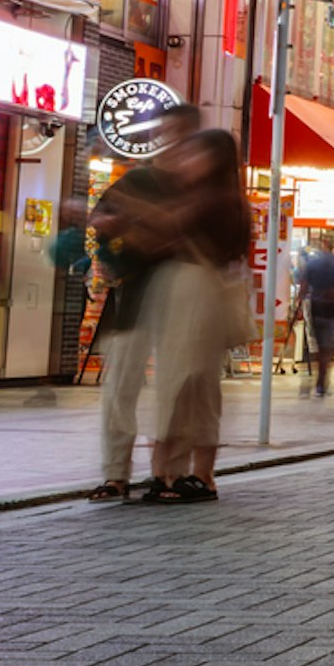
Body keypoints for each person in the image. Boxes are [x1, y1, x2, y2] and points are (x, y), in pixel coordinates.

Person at [141, 128, 254, 501]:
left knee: (185, 382)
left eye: (195, 155)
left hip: (196, 294)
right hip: (193, 294)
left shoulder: (215, 201)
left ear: (214, 161)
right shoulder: (223, 199)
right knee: (192, 383)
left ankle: (179, 474)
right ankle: (187, 473)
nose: (187, 161)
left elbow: (166, 233)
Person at [87, 123, 188, 498]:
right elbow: (98, 220)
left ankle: (168, 473)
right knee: (120, 389)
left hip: (176, 298)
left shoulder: (192, 190)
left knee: (171, 388)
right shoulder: (138, 181)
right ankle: (117, 473)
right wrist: (111, 242)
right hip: (133, 296)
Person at [295, 231, 334, 399]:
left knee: (319, 343)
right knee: (328, 346)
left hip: (317, 306)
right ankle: (322, 379)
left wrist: (299, 303)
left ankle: (321, 379)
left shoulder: (312, 264)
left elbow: (304, 285)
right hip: (333, 307)